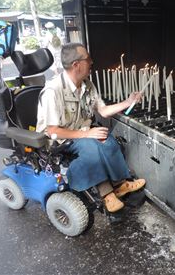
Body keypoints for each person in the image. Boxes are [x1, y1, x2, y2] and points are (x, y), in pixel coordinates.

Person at [36, 43, 146, 213]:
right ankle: (107, 194)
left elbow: (103, 110)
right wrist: (86, 134)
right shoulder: (53, 91)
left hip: (82, 132)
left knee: (107, 140)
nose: (92, 62)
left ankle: (120, 184)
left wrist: (128, 102)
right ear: (76, 65)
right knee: (91, 147)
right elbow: (52, 131)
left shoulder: (87, 85)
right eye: (88, 59)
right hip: (61, 140)